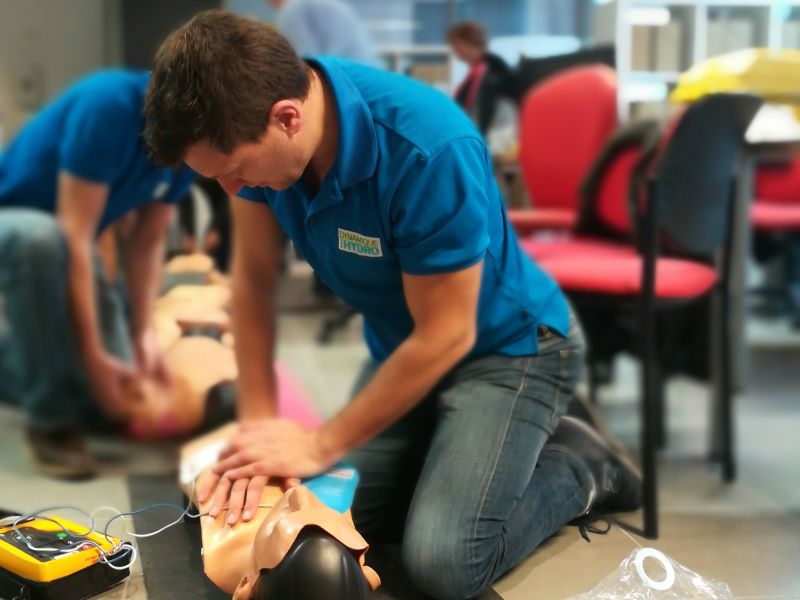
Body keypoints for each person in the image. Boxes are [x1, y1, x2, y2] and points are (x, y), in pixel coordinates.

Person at [144, 11, 641, 599]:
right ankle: (454, 458)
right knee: (335, 522)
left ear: (287, 118)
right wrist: (259, 428)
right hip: (405, 350)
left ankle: (582, 465)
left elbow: (448, 334)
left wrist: (319, 442)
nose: (234, 189)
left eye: (234, 172)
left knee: (443, 563)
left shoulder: (427, 149)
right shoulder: (260, 139)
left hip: (510, 350)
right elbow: (252, 282)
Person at [0, 70, 196, 478]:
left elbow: (147, 240)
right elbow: (76, 237)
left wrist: (144, 335)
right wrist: (92, 358)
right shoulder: (107, 107)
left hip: (67, 237)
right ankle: (50, 422)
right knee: (42, 240)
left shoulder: (198, 138)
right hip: (22, 223)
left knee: (105, 405)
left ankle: (48, 383)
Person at [447, 21, 518, 138]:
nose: (454, 50)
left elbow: (494, 111)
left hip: (495, 139)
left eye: (456, 45)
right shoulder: (477, 70)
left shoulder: (493, 71)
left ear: (466, 43)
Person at [268, 0, 376, 66]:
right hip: (367, 79)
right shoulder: (332, 6)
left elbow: (303, 65)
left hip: (347, 84)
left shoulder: (292, 11)